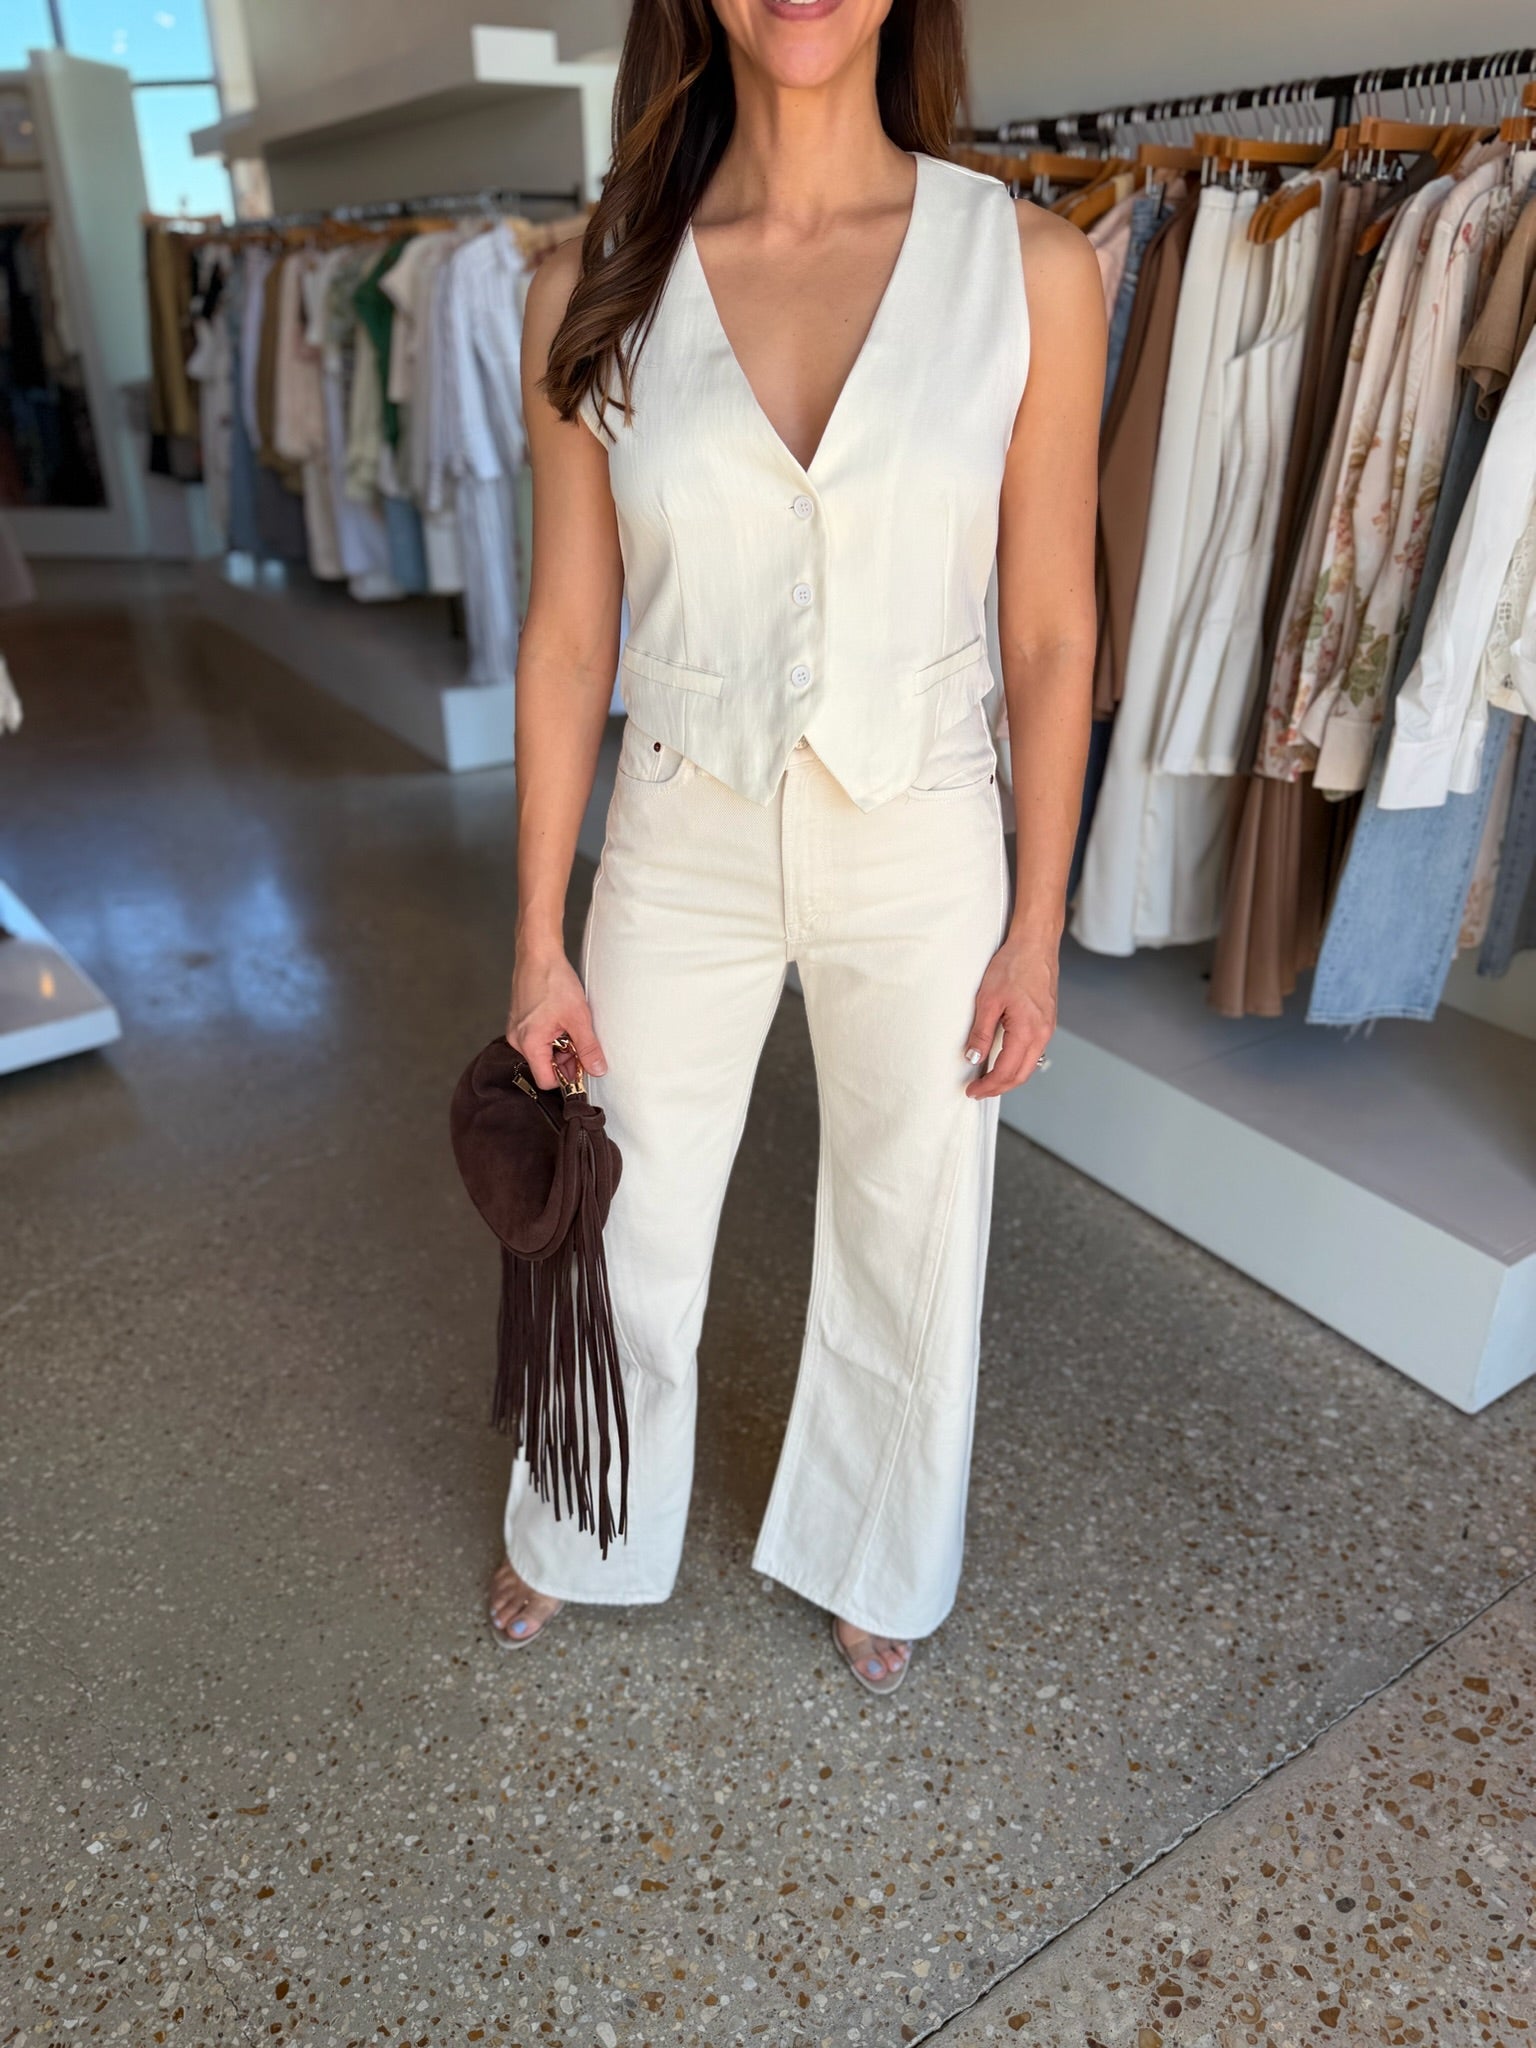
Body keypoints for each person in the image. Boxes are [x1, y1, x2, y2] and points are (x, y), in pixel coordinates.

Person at [490, 0, 1103, 1695]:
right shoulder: (593, 280)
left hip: (925, 828)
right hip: (679, 818)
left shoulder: (1029, 268)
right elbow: (568, 637)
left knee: (917, 1216)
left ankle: (877, 1543)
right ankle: (580, 1516)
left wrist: (1037, 923)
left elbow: (1053, 628)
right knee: (619, 1198)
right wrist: (538, 936)